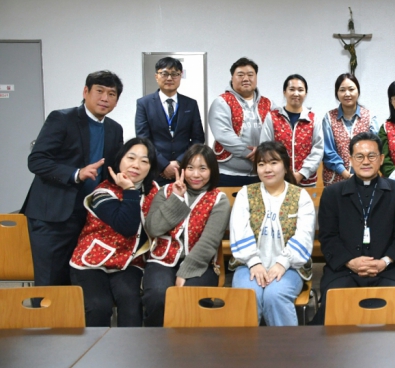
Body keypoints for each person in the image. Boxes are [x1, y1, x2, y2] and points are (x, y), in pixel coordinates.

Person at [22, 70, 124, 288]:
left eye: (111, 94)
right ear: (85, 92)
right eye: (99, 91)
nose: (105, 98)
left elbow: (113, 169)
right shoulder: (61, 119)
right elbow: (37, 161)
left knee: (78, 281)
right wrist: (76, 173)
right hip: (54, 214)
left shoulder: (114, 129)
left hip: (90, 216)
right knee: (50, 281)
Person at [316, 132, 395, 323]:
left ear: (381, 159)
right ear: (351, 160)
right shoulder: (332, 193)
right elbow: (328, 237)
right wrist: (350, 262)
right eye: (359, 156)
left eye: (372, 156)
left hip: (388, 269)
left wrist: (383, 262)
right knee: (336, 303)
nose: (366, 161)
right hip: (344, 269)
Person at [69, 137, 159, 327]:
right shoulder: (103, 192)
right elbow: (126, 226)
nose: (136, 165)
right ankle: (96, 346)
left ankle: (129, 346)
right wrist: (129, 190)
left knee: (131, 304)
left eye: (144, 161)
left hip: (129, 262)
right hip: (92, 262)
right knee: (98, 306)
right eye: (131, 158)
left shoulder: (155, 191)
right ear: (119, 160)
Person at [142, 144, 230, 327]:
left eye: (202, 168)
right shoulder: (165, 192)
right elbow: (153, 228)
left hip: (200, 264)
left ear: (212, 171)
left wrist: (185, 273)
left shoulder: (219, 199)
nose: (195, 174)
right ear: (182, 169)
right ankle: (155, 340)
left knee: (192, 297)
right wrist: (176, 198)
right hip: (162, 260)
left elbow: (209, 242)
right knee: (158, 295)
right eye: (190, 168)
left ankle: (192, 344)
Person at [229, 141, 315, 326]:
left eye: (273, 162)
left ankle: (284, 345)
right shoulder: (246, 194)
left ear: (285, 166)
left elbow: (304, 236)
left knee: (275, 295)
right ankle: (246, 344)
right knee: (249, 294)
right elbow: (239, 230)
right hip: (248, 265)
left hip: (290, 267)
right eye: (261, 164)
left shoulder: (301, 196)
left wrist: (282, 263)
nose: (267, 169)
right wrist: (254, 262)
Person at [136, 56, 205, 186]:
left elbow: (198, 138)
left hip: (185, 170)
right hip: (155, 170)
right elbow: (143, 139)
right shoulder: (144, 104)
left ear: (180, 76)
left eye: (174, 74)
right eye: (164, 73)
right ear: (156, 76)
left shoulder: (191, 104)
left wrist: (179, 162)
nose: (169, 78)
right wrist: (164, 165)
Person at [209, 57, 272, 187]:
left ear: (256, 78)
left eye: (250, 75)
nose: (246, 78)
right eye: (240, 75)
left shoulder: (268, 104)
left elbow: (277, 132)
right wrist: (251, 154)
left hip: (261, 173)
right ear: (232, 78)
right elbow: (223, 135)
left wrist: (264, 153)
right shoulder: (222, 102)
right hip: (229, 174)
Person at [260, 74, 323, 187]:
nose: (296, 93)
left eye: (300, 90)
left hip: (306, 181)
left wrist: (302, 173)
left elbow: (318, 149)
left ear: (306, 93)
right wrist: (281, 172)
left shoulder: (313, 119)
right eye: (292, 89)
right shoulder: (272, 117)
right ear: (284, 92)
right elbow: (265, 148)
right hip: (278, 180)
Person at [322, 73, 378, 185]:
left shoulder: (370, 117)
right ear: (337, 93)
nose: (347, 94)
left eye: (351, 89)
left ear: (358, 91)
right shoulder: (329, 118)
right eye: (342, 90)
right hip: (336, 180)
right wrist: (344, 173)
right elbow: (327, 151)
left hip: (364, 178)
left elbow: (374, 149)